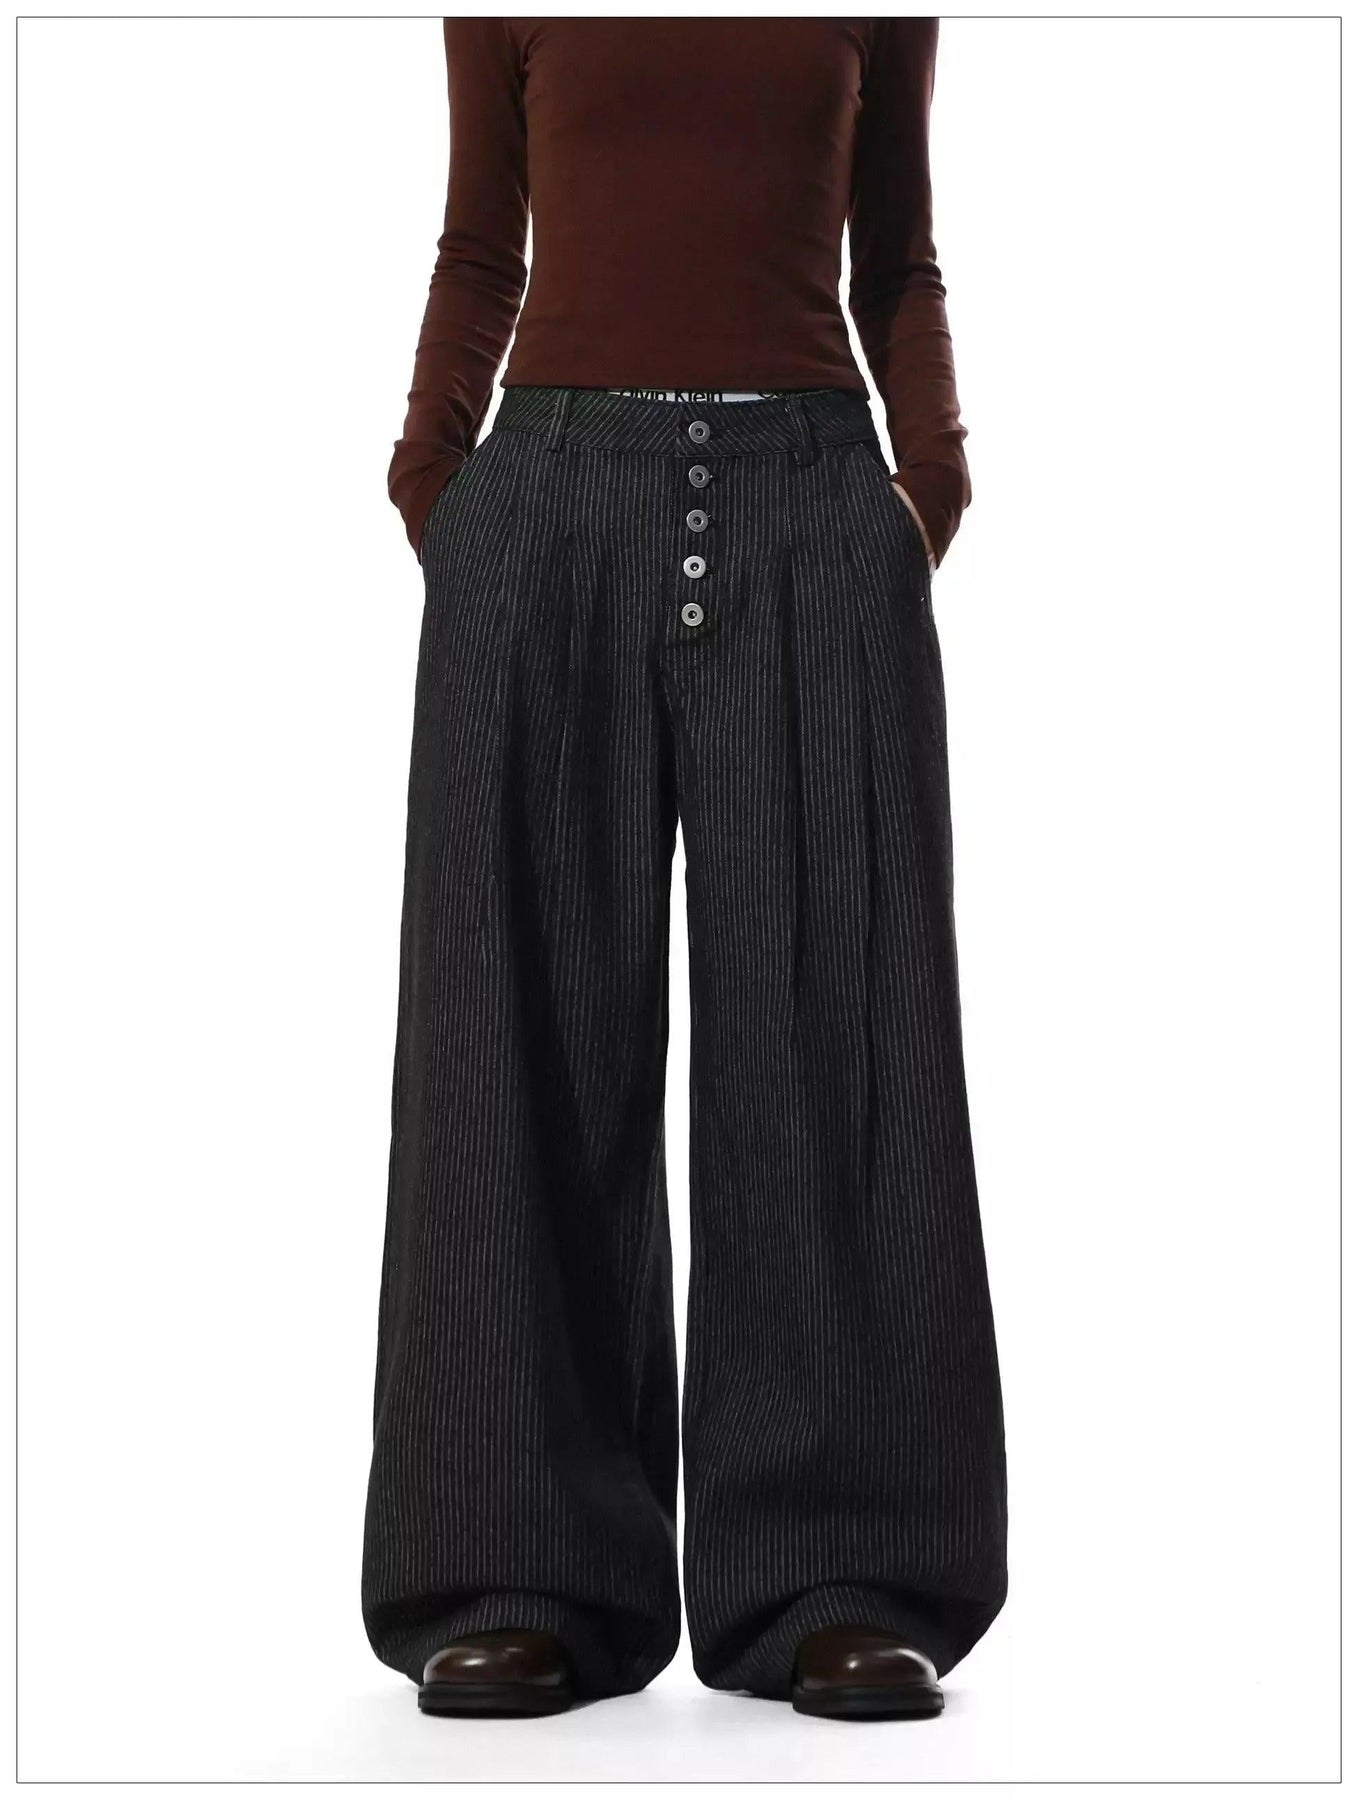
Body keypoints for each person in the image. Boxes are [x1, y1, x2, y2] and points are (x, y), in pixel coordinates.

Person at [362, 16, 1006, 1723]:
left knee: (837, 1035)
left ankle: (841, 1576)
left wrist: (924, 488)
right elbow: (480, 242)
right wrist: (436, 486)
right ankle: (515, 1573)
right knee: (518, 1040)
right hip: (546, 498)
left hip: (814, 503)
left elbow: (898, 251)